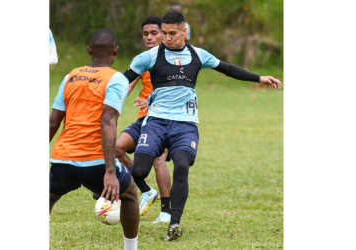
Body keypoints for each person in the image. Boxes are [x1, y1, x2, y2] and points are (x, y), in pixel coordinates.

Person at [123, 11, 282, 241]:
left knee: (182, 165)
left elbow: (228, 68)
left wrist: (259, 78)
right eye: (164, 33)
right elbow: (124, 78)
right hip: (156, 122)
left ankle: (174, 223)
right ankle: (126, 187)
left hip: (185, 125)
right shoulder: (148, 57)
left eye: (172, 33)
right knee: (138, 170)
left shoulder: (198, 55)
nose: (166, 38)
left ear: (184, 31)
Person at [49, 29, 139, 250]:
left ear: (89, 50)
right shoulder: (116, 78)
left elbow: (53, 122)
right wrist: (110, 172)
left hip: (63, 160)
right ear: (115, 52)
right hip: (97, 163)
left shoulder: (70, 76)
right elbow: (108, 121)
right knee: (130, 194)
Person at [116, 16, 172, 224]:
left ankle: (166, 213)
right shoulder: (143, 59)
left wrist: (151, 102)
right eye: (145, 34)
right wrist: (113, 105)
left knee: (159, 160)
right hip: (143, 121)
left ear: (164, 34)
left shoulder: (174, 59)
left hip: (166, 119)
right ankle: (146, 191)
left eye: (154, 33)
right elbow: (127, 85)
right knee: (116, 148)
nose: (149, 38)